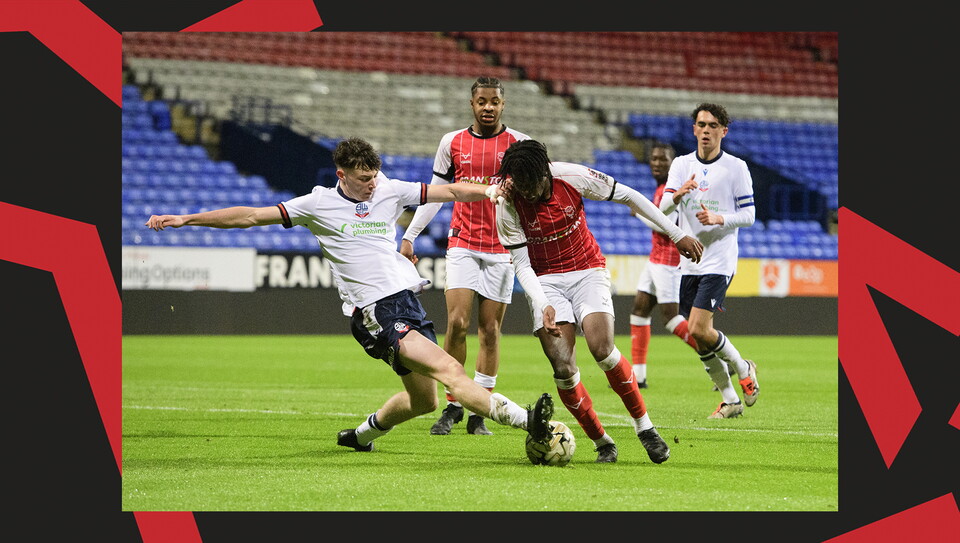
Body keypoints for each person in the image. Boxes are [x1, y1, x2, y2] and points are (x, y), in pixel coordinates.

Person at [144, 137, 556, 453]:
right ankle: (528, 421)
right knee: (451, 371)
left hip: (406, 303)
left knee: (424, 401)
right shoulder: (317, 204)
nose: (371, 184)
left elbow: (447, 192)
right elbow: (252, 216)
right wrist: (188, 219)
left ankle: (360, 436)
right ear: (341, 174)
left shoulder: (389, 191)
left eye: (374, 175)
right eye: (363, 179)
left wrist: (487, 192)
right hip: (376, 311)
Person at [494, 139, 704, 463]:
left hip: (586, 269)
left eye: (532, 184)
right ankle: (602, 440)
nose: (528, 193)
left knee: (602, 348)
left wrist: (677, 235)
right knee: (562, 366)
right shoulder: (506, 202)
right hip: (545, 280)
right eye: (520, 186)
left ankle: (644, 426)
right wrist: (541, 302)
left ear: (545, 172)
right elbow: (521, 264)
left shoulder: (571, 177)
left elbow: (629, 196)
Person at [399, 76, 530, 436]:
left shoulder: (519, 144)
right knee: (456, 324)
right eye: (482, 101)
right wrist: (410, 236)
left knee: (490, 330)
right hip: (463, 243)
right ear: (471, 104)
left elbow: (535, 196)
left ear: (503, 105)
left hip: (501, 247)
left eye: (495, 102)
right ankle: (453, 406)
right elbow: (437, 195)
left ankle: (480, 412)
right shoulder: (452, 143)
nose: (488, 107)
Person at [659, 103, 760, 419]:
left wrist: (720, 218)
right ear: (694, 129)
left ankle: (743, 367)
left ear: (723, 131)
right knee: (698, 336)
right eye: (701, 124)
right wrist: (678, 194)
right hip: (689, 262)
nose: (706, 130)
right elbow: (661, 209)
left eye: (713, 125)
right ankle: (730, 401)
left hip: (719, 260)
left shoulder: (736, 168)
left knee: (698, 327)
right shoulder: (680, 165)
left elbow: (749, 214)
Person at [629, 141, 699, 388]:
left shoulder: (672, 191)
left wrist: (638, 212)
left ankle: (720, 359)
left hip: (669, 261)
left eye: (663, 160)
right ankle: (639, 376)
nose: (657, 163)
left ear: (673, 163)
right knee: (639, 311)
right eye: (654, 159)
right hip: (655, 258)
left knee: (671, 318)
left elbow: (665, 226)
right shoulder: (662, 188)